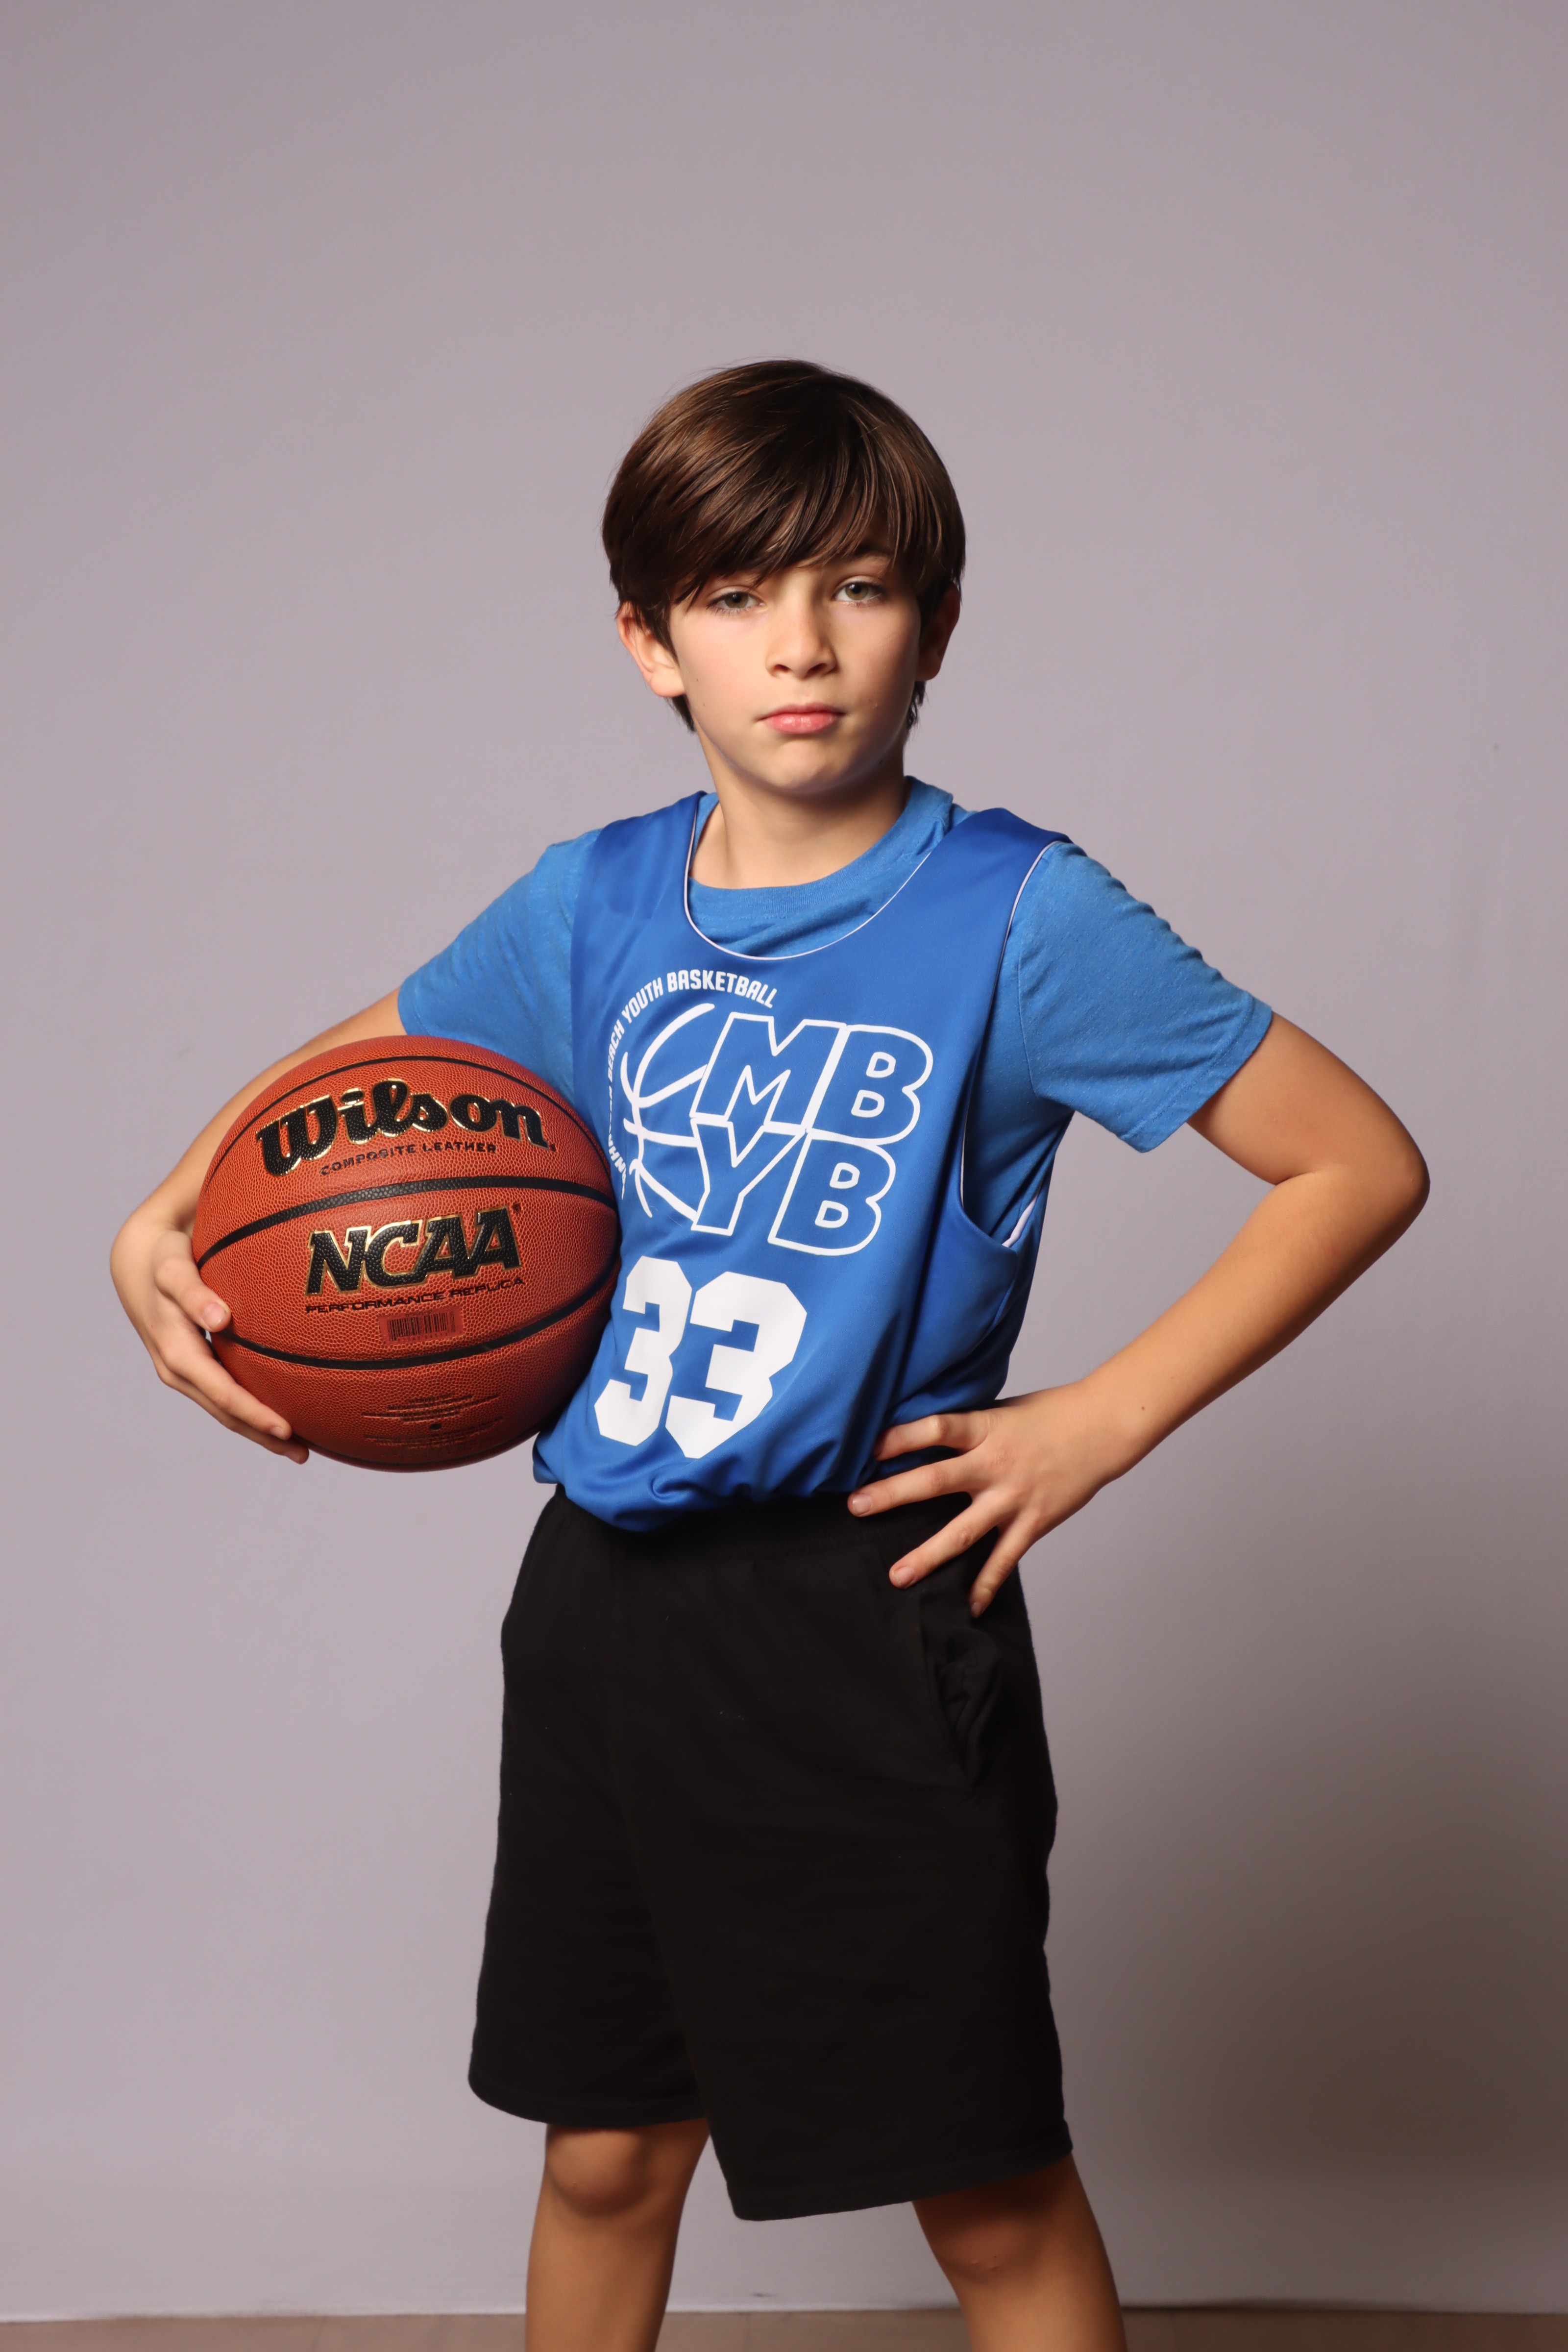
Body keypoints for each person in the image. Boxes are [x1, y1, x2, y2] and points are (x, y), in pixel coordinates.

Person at [111, 360, 1428, 2352]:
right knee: (605, 2157)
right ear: (651, 643)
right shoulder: (588, 903)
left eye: (857, 588)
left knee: (983, 2185)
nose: (799, 645)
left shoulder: (1017, 915)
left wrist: (1096, 1423)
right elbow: (348, 1086)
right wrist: (160, 1213)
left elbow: (1355, 1163)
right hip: (602, 1606)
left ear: (936, 628)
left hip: (861, 1612)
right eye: (735, 597)